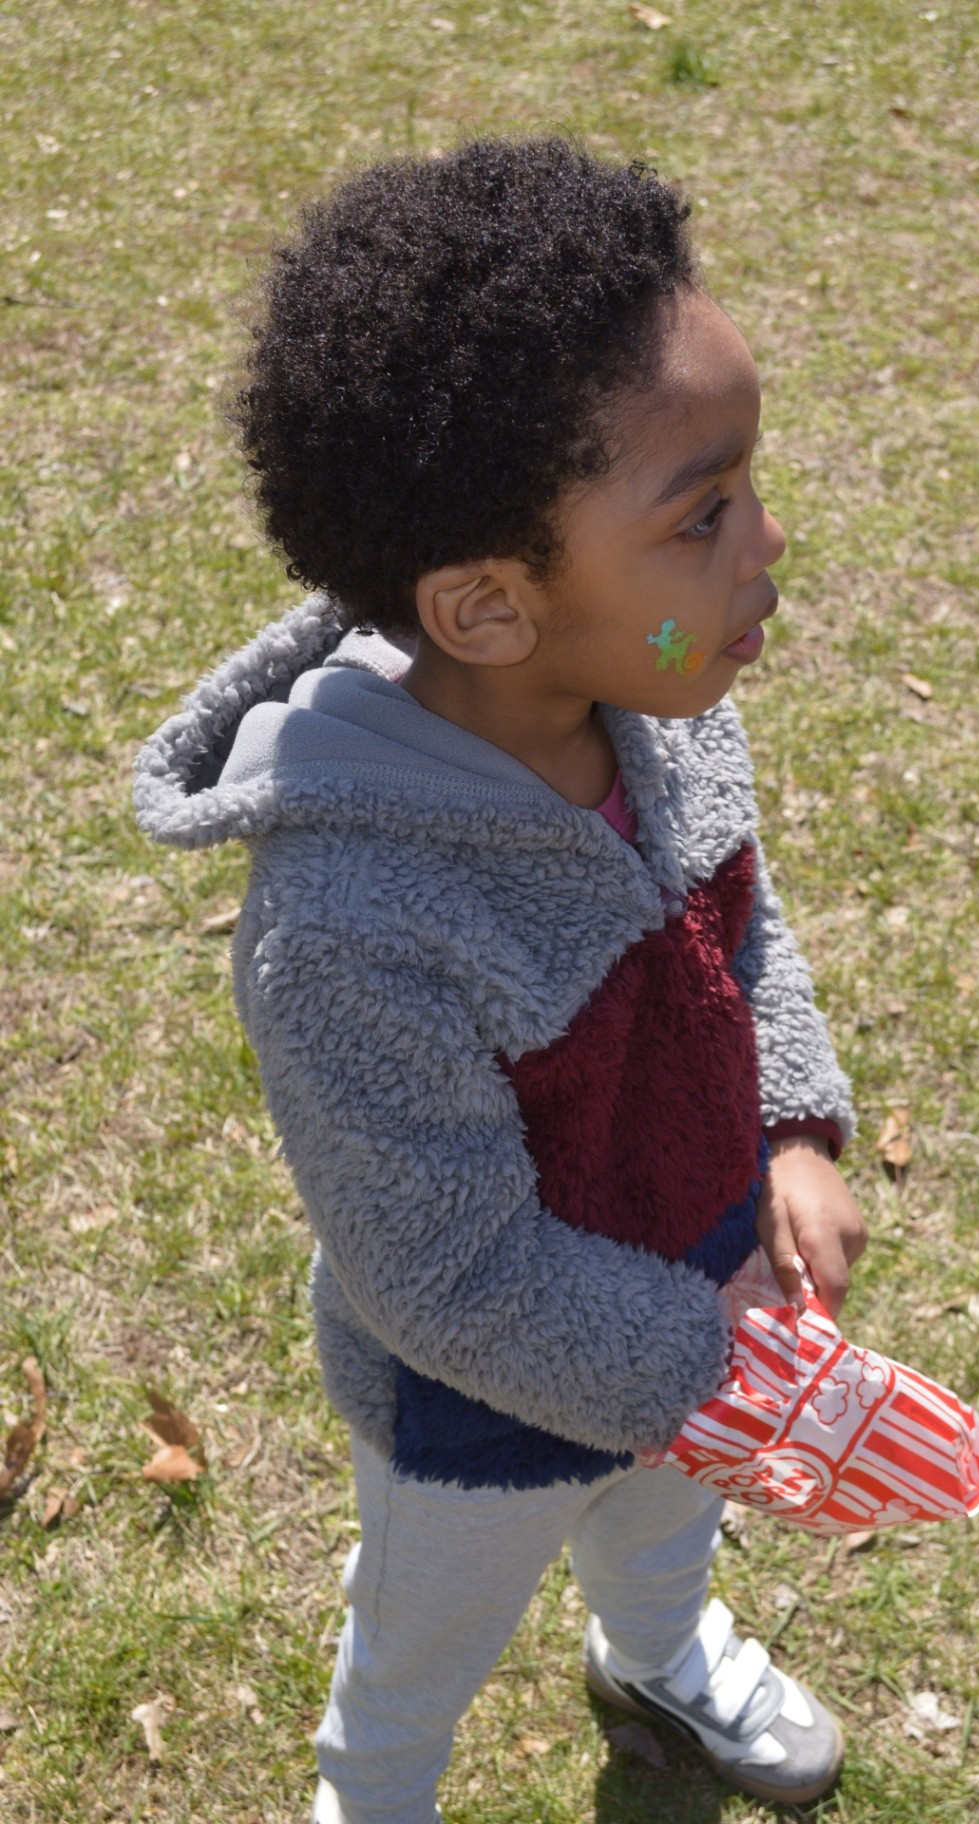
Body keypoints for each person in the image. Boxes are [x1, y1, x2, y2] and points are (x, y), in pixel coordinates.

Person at [135, 136, 867, 1824]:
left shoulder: (668, 714)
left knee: (668, 1528)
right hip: (479, 1423)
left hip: (707, 1300)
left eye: (750, 488)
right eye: (703, 515)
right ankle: (371, 1795)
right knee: (417, 1657)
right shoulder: (349, 920)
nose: (769, 541)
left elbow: (741, 932)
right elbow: (444, 1276)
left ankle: (659, 1656)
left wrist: (792, 1128)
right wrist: (700, 1352)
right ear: (484, 607)